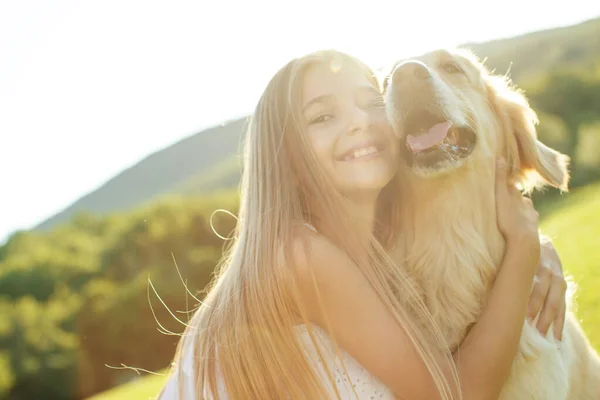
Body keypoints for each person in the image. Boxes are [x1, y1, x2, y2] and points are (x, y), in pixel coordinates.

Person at [157, 49, 568, 400]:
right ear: (289, 162)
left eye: (372, 101)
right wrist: (523, 249)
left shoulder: (376, 240)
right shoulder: (301, 257)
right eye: (321, 118)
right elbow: (456, 394)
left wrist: (538, 250)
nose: (359, 122)